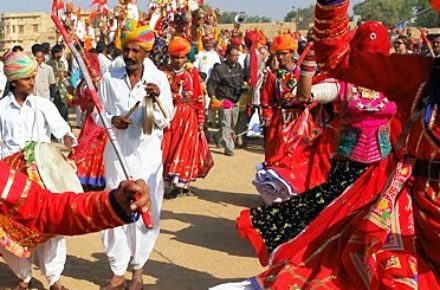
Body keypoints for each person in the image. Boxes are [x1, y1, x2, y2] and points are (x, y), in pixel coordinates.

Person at [96, 20, 173, 290]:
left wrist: (158, 99)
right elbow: (97, 114)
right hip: (117, 155)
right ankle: (117, 271)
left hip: (148, 157)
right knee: (114, 207)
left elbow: (166, 120)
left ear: (146, 52)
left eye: (135, 51)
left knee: (146, 210)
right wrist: (111, 119)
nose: (129, 55)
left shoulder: (159, 79)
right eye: (126, 49)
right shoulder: (109, 78)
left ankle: (138, 269)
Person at [0, 51, 77, 290]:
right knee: (14, 229)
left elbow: (63, 130)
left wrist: (69, 140)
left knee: (51, 226)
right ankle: (23, 277)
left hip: (41, 176)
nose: (32, 82)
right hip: (13, 177)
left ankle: (54, 279)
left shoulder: (43, 105)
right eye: (27, 79)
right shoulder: (1, 109)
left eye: (33, 77)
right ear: (14, 81)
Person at [162, 37, 214, 196]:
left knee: (187, 150)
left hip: (189, 118)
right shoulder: (164, 74)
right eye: (175, 57)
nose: (178, 61)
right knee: (168, 149)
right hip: (170, 116)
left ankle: (182, 185)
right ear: (170, 57)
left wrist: (200, 121)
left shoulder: (192, 74)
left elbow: (199, 98)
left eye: (182, 57)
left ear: (186, 57)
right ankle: (168, 182)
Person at [259, 33, 301, 167]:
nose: (280, 57)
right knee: (276, 156)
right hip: (279, 121)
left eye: (284, 53)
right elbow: (266, 98)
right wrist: (268, 116)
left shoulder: (302, 73)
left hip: (298, 120)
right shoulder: (272, 76)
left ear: (292, 53)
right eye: (278, 54)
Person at [207, 44, 245, 156]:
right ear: (227, 56)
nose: (236, 58)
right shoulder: (219, 69)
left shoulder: (238, 67)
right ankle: (229, 147)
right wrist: (212, 96)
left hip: (236, 99)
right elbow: (211, 84)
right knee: (226, 123)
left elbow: (242, 79)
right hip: (224, 99)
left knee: (233, 124)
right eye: (233, 55)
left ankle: (217, 136)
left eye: (237, 55)